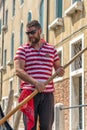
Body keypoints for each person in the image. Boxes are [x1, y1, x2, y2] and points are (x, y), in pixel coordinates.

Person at [14, 20, 65, 130]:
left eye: (32, 32)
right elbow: (18, 70)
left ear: (40, 31)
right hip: (29, 94)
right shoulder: (22, 49)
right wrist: (35, 83)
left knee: (46, 127)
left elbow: (58, 68)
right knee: (30, 127)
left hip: (47, 94)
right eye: (28, 33)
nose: (30, 36)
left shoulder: (51, 49)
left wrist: (60, 71)